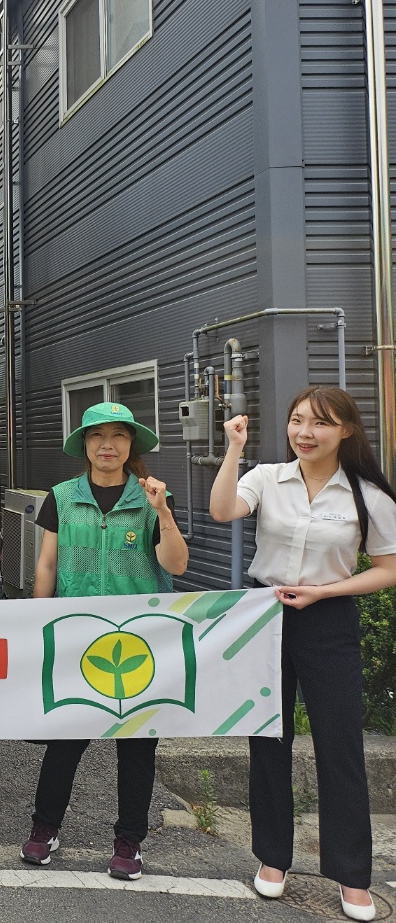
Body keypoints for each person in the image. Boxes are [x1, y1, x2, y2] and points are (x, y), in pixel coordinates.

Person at [210, 387, 396, 921]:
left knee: (340, 744)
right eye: (297, 421)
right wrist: (234, 448)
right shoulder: (267, 477)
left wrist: (326, 592)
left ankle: (353, 876)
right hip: (264, 615)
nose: (305, 433)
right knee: (269, 738)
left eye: (320, 423)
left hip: (328, 619)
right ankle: (273, 859)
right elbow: (222, 511)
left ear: (346, 430)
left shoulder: (367, 494)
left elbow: (388, 568)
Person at [21, 401, 187, 882]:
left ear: (131, 444)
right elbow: (46, 565)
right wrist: (38, 623)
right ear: (85, 444)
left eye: (118, 435)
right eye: (97, 436)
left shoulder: (153, 497)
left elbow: (177, 565)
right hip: (77, 634)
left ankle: (129, 842)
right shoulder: (62, 496)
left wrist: (162, 512)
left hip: (141, 641)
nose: (107, 445)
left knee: (136, 746)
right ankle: (45, 828)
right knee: (65, 740)